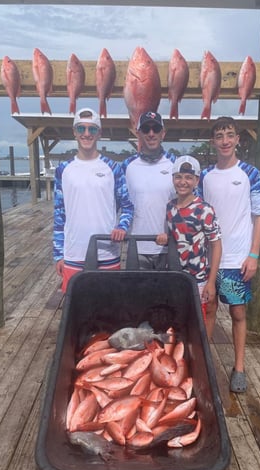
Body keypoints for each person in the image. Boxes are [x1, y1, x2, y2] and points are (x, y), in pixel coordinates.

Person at [199, 116, 260, 393]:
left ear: (238, 139)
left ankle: (239, 367)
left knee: (238, 312)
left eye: (230, 135)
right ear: (213, 141)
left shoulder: (250, 173)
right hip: (209, 258)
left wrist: (254, 254)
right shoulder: (204, 176)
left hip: (238, 258)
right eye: (219, 136)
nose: (225, 141)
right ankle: (205, 363)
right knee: (209, 310)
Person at [53, 107, 134, 292]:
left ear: (99, 133)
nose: (87, 134)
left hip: (107, 252)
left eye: (92, 129)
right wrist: (59, 254)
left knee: (107, 310)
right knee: (76, 313)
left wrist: (122, 227)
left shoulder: (113, 168)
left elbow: (128, 207)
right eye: (81, 129)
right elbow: (59, 214)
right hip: (74, 252)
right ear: (74, 132)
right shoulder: (63, 169)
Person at [156, 155, 222, 336]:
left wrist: (211, 282)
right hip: (175, 276)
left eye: (188, 178)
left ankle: (203, 354)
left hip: (198, 278)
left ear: (196, 181)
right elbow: (174, 236)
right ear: (173, 179)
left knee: (199, 319)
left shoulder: (205, 209)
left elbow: (216, 246)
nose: (183, 182)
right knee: (177, 318)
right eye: (178, 177)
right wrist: (164, 237)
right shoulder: (170, 207)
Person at [121, 111, 176, 270]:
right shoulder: (126, 166)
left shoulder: (176, 165)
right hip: (135, 248)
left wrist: (174, 233)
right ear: (138, 133)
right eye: (146, 129)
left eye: (156, 129)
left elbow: (189, 205)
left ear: (163, 133)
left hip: (168, 247)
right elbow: (116, 203)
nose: (151, 133)